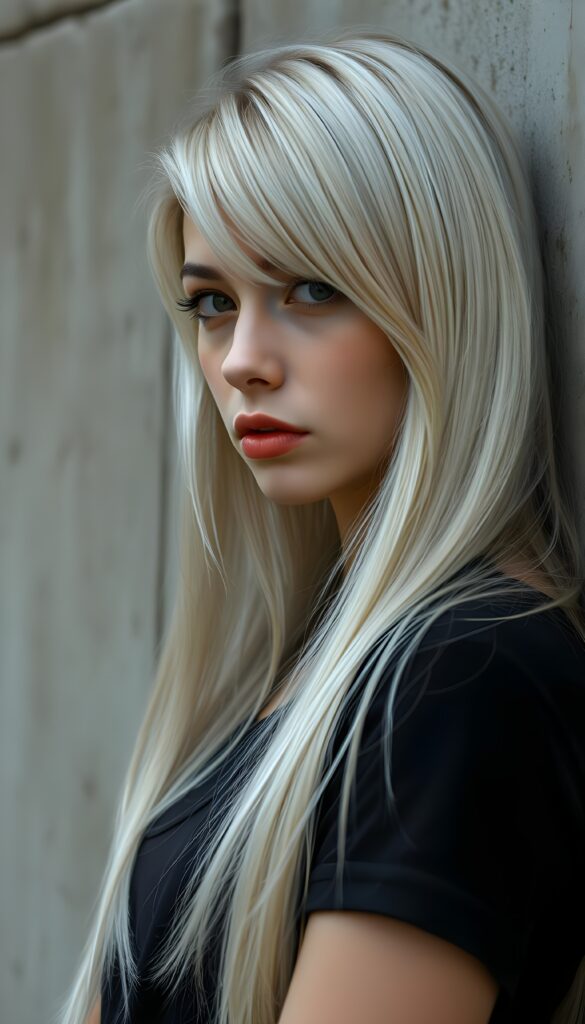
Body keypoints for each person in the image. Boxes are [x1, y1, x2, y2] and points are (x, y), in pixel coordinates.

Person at [58, 26, 585, 1024]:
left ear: (439, 299)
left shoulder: (463, 673)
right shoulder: (309, 667)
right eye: (212, 302)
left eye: (310, 289)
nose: (240, 360)